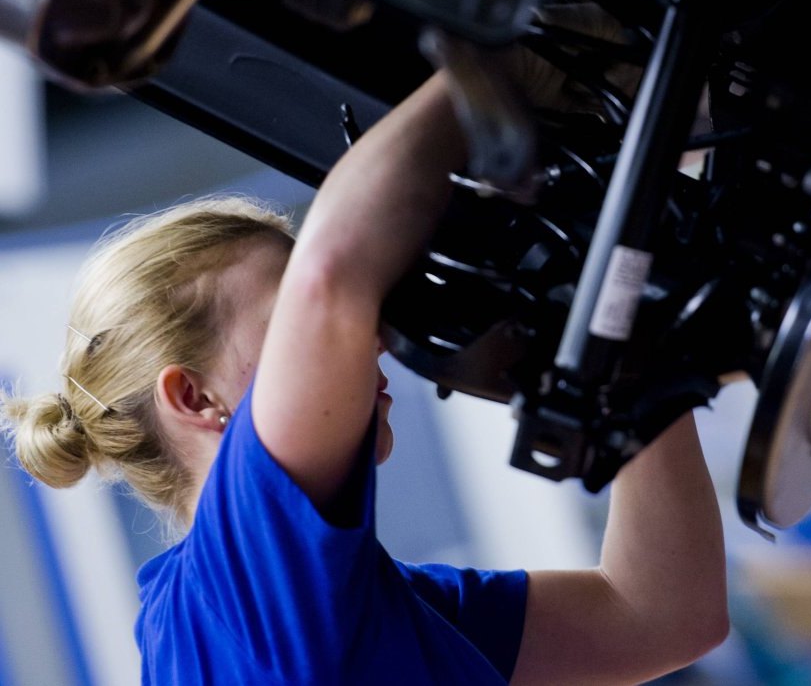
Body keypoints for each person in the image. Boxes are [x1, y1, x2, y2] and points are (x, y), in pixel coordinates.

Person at [0, 72, 729, 684]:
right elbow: (330, 276)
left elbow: (658, 613)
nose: (372, 336)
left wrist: (626, 352)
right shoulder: (233, 601)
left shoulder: (323, 611)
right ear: (194, 398)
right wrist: (500, 67)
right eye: (287, 329)